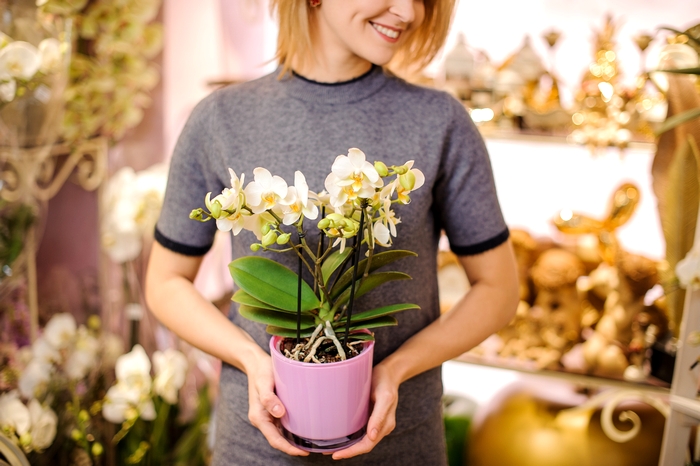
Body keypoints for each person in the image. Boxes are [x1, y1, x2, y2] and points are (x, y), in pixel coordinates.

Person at [145, 0, 519, 464]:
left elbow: (499, 290)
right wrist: (251, 359)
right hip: (258, 447)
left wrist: (396, 370)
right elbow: (165, 282)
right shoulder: (220, 120)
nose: (409, 12)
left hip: (401, 444)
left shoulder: (440, 123)